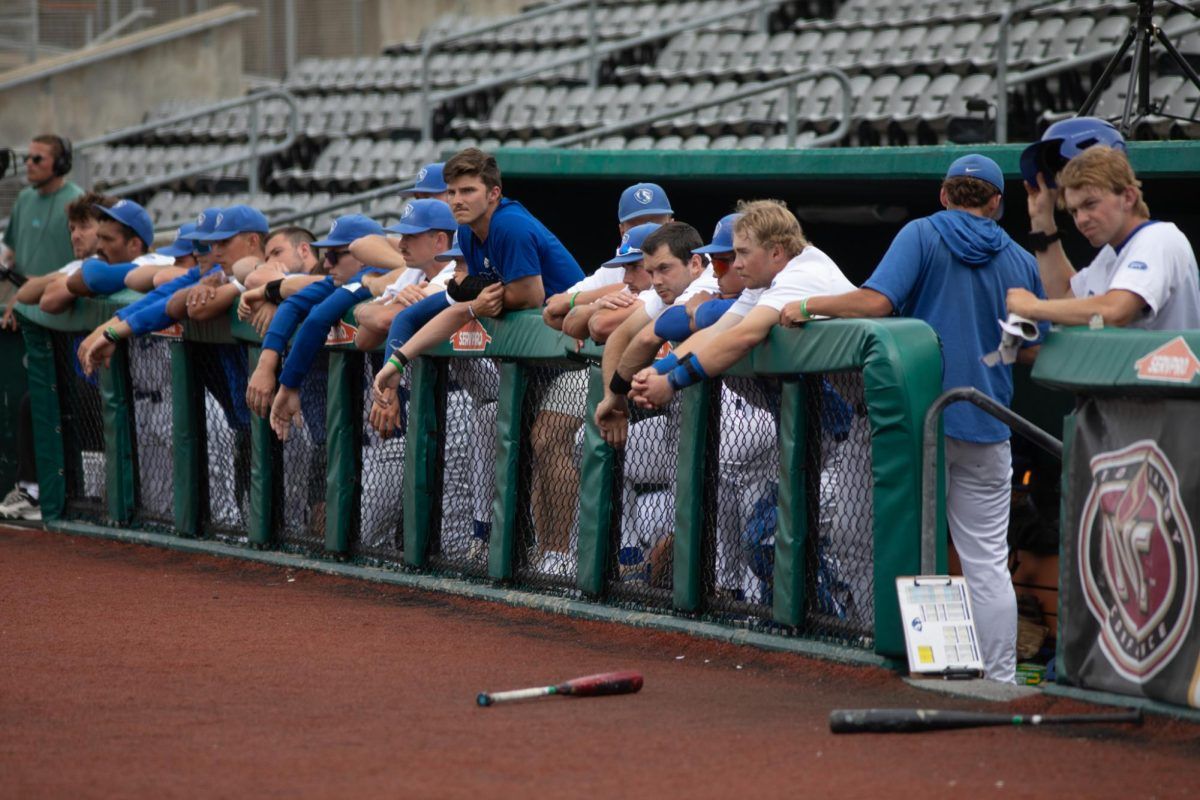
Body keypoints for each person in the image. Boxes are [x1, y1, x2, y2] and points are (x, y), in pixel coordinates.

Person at [778, 155, 1046, 684]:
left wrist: (809, 305)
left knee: (897, 544)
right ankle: (998, 680)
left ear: (945, 196)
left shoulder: (923, 232)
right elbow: (1033, 353)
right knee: (987, 563)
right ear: (996, 202)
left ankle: (907, 660)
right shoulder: (1020, 259)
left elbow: (876, 304)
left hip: (918, 420)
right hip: (989, 424)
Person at [1008, 144, 1200, 330]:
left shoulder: (1158, 238)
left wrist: (1034, 307)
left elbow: (1116, 310)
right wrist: (1042, 221)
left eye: (1090, 204)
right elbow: (1064, 297)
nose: (1081, 219)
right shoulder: (1111, 253)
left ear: (1128, 197)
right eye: (1074, 211)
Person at [1, 134, 84, 331]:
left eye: (37, 159)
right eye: (26, 159)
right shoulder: (24, 198)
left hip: (60, 312)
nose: (29, 164)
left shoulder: (77, 200)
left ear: (61, 164)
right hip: (23, 309)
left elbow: (87, 261)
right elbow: (11, 251)